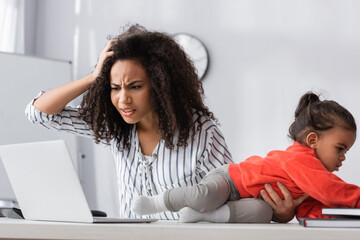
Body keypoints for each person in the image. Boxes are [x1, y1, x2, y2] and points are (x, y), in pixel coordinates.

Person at [25, 24, 303, 222]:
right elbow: (39, 113)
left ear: (160, 85)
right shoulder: (115, 129)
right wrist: (92, 78)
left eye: (134, 86)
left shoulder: (201, 132)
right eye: (114, 88)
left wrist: (280, 215)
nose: (123, 99)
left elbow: (229, 200)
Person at [132, 92, 360, 222]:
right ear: (312, 140)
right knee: (207, 196)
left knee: (263, 212)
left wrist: (346, 219)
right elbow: (332, 191)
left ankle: (203, 217)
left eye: (346, 151)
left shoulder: (311, 180)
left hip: (249, 199)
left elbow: (307, 211)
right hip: (230, 179)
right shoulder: (301, 160)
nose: (343, 158)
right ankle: (157, 201)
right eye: (340, 148)